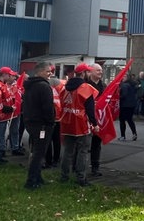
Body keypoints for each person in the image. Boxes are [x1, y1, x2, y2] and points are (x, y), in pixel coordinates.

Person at [60, 63, 99, 187]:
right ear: (83, 74)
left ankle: (64, 176)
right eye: (87, 72)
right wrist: (95, 123)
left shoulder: (65, 87)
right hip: (81, 124)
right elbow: (90, 109)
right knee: (83, 151)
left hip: (67, 122)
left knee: (68, 151)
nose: (89, 73)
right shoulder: (86, 88)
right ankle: (81, 178)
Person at [22, 62, 56, 190]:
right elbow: (47, 107)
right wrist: (50, 122)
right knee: (39, 153)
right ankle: (31, 181)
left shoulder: (30, 85)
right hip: (42, 125)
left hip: (31, 122)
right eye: (48, 71)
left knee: (36, 150)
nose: (50, 74)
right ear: (40, 72)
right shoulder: (44, 86)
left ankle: (38, 177)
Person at [86, 63, 105, 177]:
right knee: (83, 144)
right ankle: (76, 167)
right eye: (98, 70)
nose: (100, 72)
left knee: (96, 145)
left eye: (101, 70)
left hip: (99, 119)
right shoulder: (86, 85)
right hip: (87, 119)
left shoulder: (103, 86)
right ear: (91, 71)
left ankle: (95, 167)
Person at [45, 76, 64, 168]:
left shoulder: (47, 89)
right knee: (57, 141)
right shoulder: (61, 88)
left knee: (48, 140)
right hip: (58, 118)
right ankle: (56, 159)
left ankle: (48, 160)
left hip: (49, 119)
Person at [118, 73, 138, 141]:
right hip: (132, 104)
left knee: (122, 120)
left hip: (124, 105)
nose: (123, 77)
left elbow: (124, 95)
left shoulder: (124, 85)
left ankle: (123, 136)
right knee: (130, 120)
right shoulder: (133, 84)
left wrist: (118, 97)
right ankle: (134, 133)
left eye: (124, 76)